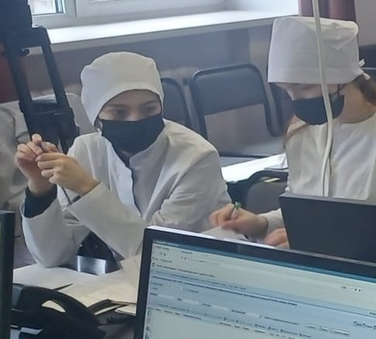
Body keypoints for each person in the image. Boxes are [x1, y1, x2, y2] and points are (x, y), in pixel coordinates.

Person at [212, 17, 376, 247]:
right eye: (286, 90)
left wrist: (319, 241)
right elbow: (303, 211)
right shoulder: (301, 133)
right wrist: (262, 223)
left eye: (304, 88)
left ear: (342, 78)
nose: (295, 100)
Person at [18, 52, 229, 268]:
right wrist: (40, 191)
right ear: (96, 117)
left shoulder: (197, 158)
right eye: (119, 112)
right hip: (125, 277)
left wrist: (87, 188)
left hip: (202, 271)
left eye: (149, 109)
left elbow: (158, 253)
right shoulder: (86, 150)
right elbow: (52, 256)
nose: (136, 120)